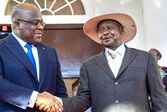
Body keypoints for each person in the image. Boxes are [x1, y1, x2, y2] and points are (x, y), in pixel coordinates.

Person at [39, 12, 167, 112]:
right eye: (100, 30)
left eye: (110, 28)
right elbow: (84, 99)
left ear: (121, 30)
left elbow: (158, 97)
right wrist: (58, 102)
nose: (105, 32)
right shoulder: (88, 66)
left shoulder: (145, 58)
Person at [0, 3, 67, 112]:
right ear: (17, 24)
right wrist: (35, 97)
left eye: (41, 22)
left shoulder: (50, 52)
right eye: (35, 22)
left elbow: (61, 92)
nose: (41, 27)